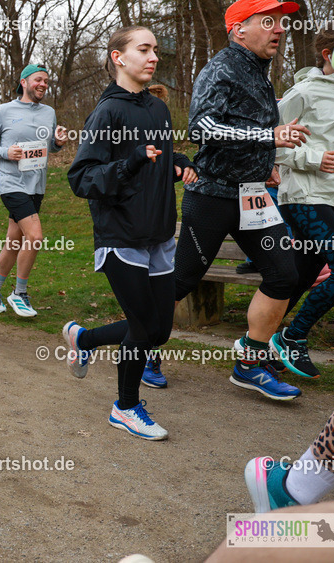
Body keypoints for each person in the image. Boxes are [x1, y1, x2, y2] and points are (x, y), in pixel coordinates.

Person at [173, 0, 310, 401]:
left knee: (285, 274)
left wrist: (264, 160)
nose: (280, 29)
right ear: (239, 30)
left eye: (280, 22)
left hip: (253, 195)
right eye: (268, 22)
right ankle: (141, 345)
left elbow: (242, 126)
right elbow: (203, 127)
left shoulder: (259, 69)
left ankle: (249, 363)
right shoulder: (220, 69)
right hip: (213, 195)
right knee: (182, 280)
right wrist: (267, 136)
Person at [65, 25, 196, 441]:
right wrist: (132, 163)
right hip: (120, 235)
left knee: (158, 330)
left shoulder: (157, 108)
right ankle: (125, 407)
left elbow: (160, 158)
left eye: (155, 49)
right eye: (143, 49)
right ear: (119, 57)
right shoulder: (107, 111)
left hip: (158, 234)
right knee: (142, 328)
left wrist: (179, 164)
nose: (153, 56)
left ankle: (84, 338)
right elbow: (82, 179)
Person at [272, 29, 334, 379]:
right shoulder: (302, 92)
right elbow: (271, 145)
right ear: (326, 54)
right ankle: (293, 336)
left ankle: (255, 343)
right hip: (304, 196)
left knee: (300, 277)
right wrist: (315, 159)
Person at [0, 63, 67, 316]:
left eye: (47, 81)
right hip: (11, 183)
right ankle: (20, 293)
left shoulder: (49, 112)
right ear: (24, 82)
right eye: (38, 79)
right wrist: (6, 152)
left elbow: (49, 146)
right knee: (35, 237)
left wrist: (58, 143)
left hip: (36, 184)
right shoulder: (4, 111)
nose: (43, 84)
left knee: (14, 240)